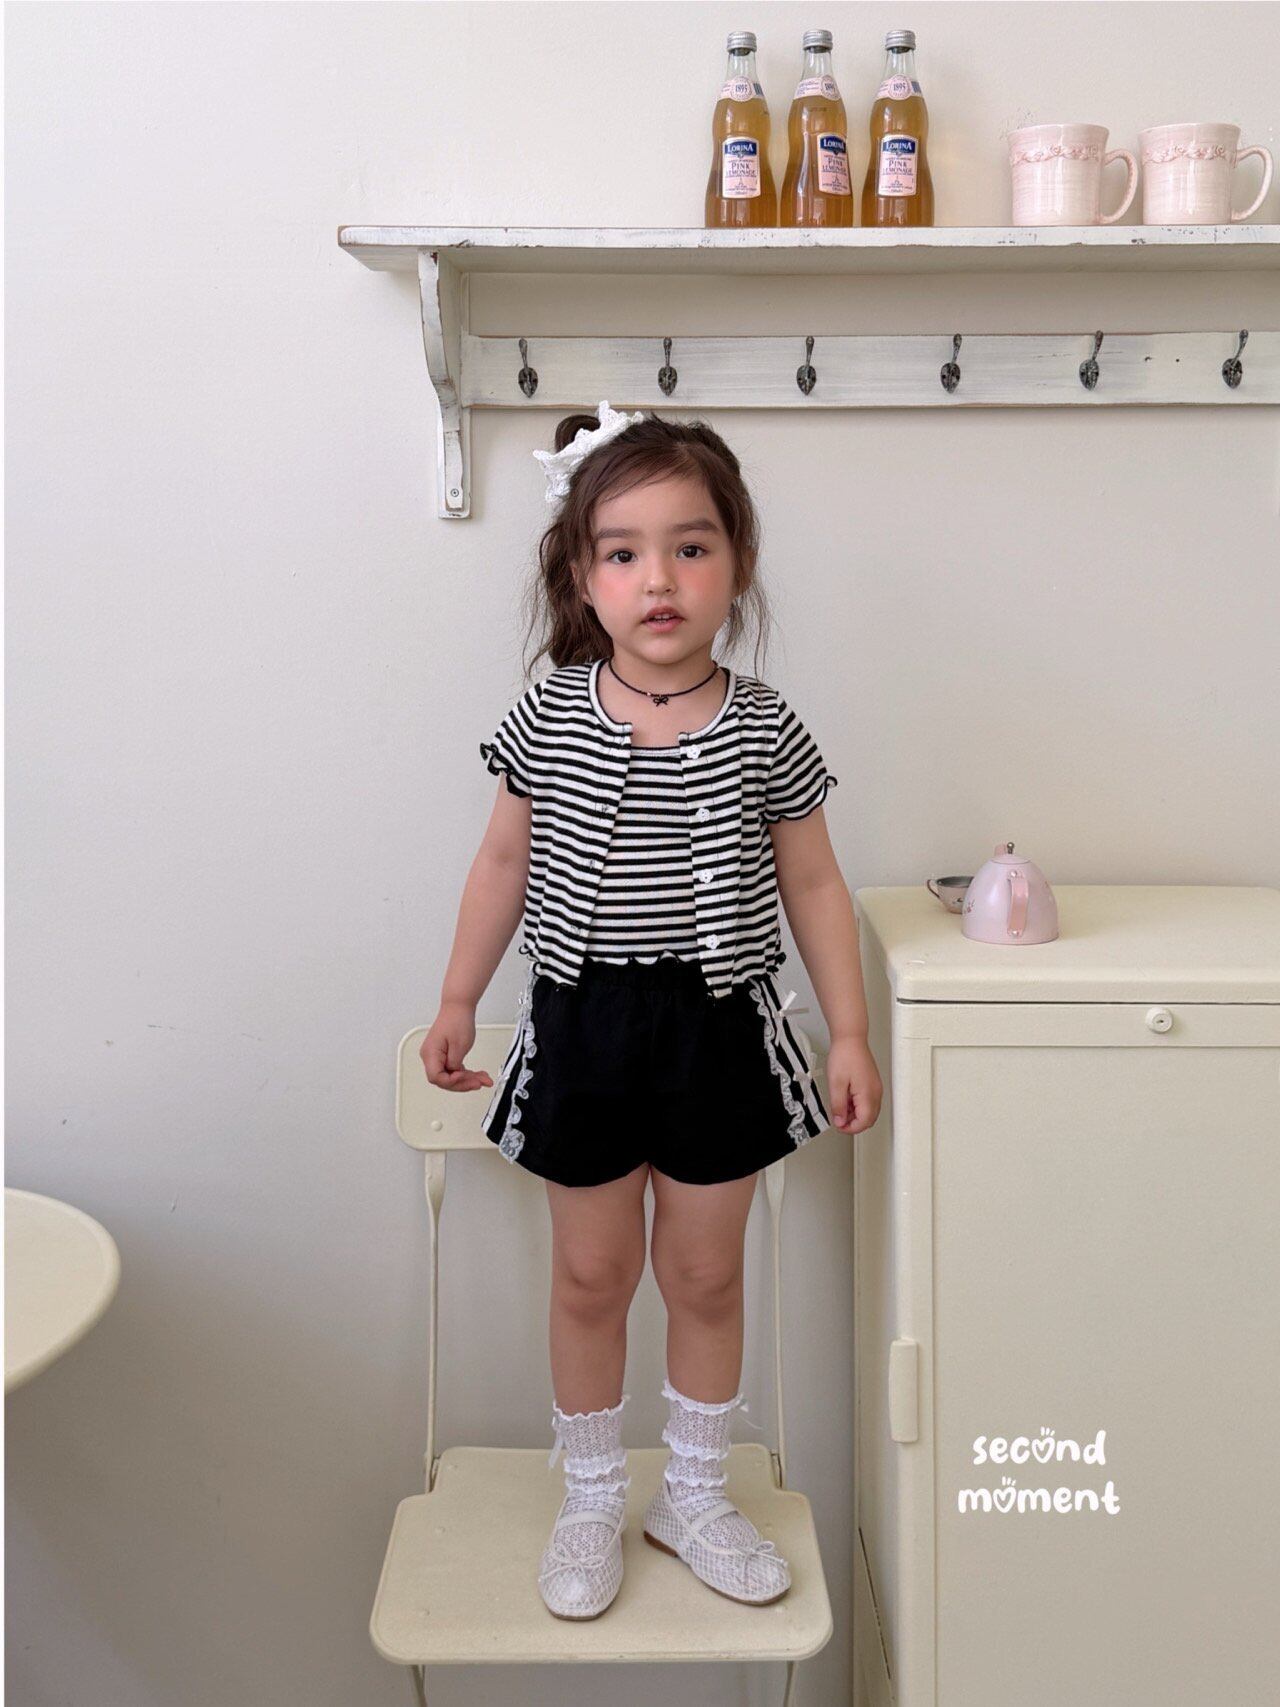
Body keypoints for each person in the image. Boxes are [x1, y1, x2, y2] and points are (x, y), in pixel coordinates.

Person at [421, 400, 882, 1620]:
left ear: (737, 560)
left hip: (718, 1032)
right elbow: (501, 865)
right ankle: (589, 1497)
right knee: (589, 1274)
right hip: (583, 1029)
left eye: (689, 546)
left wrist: (845, 1031)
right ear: (582, 577)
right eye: (622, 552)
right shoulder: (547, 715)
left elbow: (813, 883)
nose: (658, 579)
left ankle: (692, 1494)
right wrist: (458, 997)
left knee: (705, 1274)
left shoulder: (766, 725)